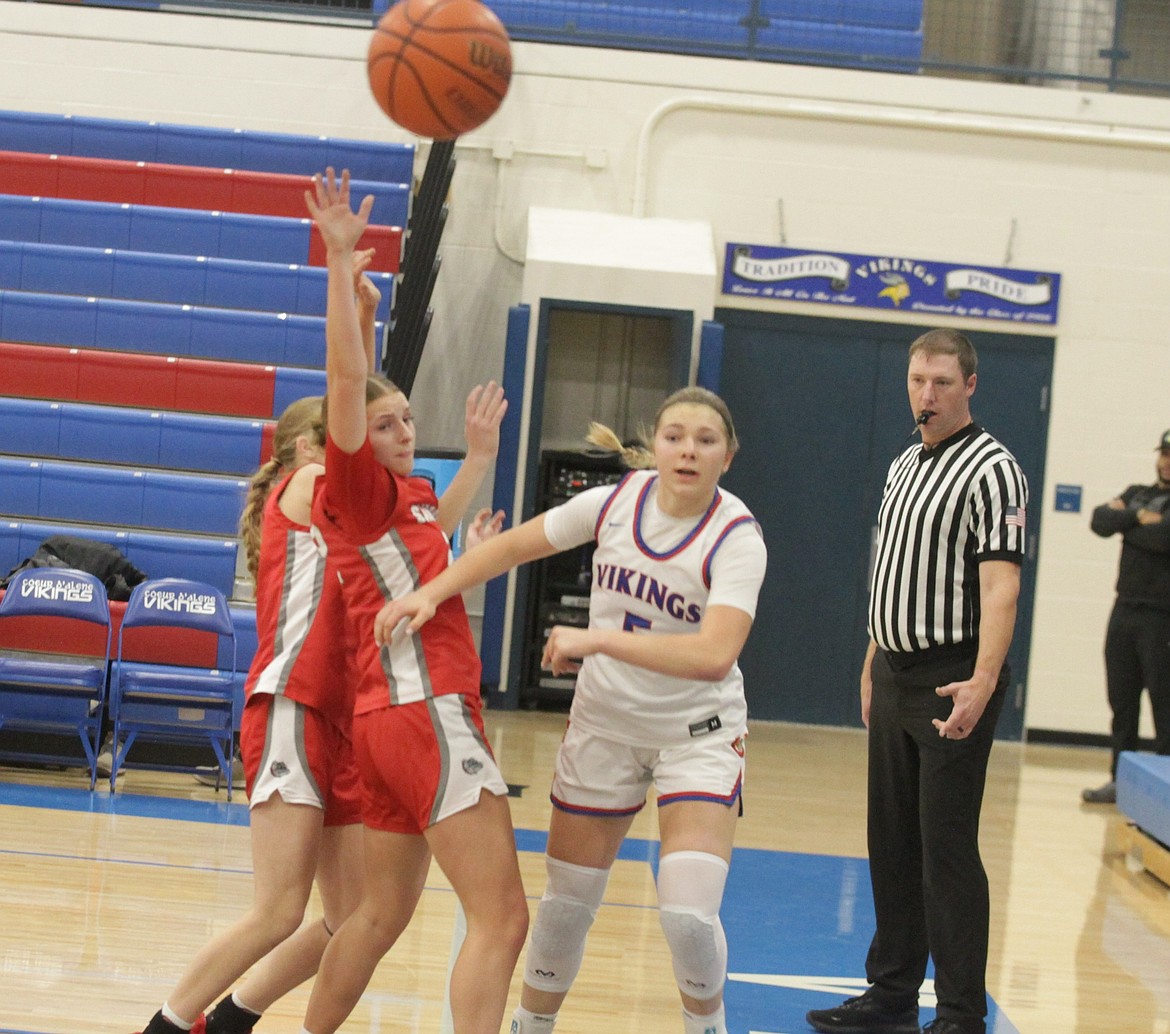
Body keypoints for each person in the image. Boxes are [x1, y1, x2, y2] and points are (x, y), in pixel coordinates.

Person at [375, 388, 767, 1034]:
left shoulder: (737, 536)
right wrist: (432, 592)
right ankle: (532, 1026)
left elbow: (714, 655)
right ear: (656, 445)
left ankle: (709, 1026)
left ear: (728, 456)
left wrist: (597, 639)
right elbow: (512, 548)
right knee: (564, 909)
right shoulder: (617, 502)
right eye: (674, 436)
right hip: (606, 725)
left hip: (694, 731)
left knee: (689, 917)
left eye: (705, 440)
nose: (688, 450)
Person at [296, 167, 527, 1034]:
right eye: (388, 424)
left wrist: (476, 456)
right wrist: (340, 264)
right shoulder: (355, 489)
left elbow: (444, 522)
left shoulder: (408, 499)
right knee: (502, 918)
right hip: (427, 711)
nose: (402, 431)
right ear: (354, 438)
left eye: (406, 422)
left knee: (379, 916)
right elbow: (345, 385)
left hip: (384, 726)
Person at [133, 248, 383, 1034]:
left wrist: (367, 319)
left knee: (353, 915)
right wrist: (348, 306)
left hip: (339, 717)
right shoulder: (304, 487)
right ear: (311, 448)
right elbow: (351, 399)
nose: (372, 442)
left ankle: (235, 1017)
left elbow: (359, 402)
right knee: (278, 909)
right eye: (353, 436)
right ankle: (168, 1024)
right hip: (294, 704)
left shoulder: (352, 497)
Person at [807, 329, 1027, 1034]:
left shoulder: (995, 469)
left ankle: (962, 1013)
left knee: (946, 848)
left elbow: (1000, 591)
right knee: (892, 841)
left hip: (953, 676)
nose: (925, 395)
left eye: (940, 382)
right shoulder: (904, 464)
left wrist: (982, 680)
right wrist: (875, 657)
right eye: (916, 381)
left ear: (970, 384)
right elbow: (891, 571)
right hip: (897, 670)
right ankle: (892, 994)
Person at [1082, 430, 1170, 805]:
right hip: (1124, 611)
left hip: (1161, 617)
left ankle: (1166, 789)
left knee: (1164, 704)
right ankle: (1120, 780)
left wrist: (1126, 526)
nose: (1166, 461)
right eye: (1164, 454)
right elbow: (1100, 520)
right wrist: (1137, 517)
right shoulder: (1139, 492)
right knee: (1122, 701)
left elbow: (1164, 539)